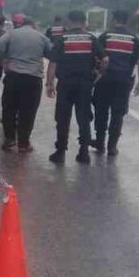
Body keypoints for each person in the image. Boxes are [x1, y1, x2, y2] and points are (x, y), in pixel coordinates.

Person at [45, 10, 106, 164]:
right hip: (85, 85)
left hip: (65, 84)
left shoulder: (62, 39)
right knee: (84, 118)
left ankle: (60, 153)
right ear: (84, 21)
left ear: (69, 21)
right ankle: (83, 152)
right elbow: (105, 59)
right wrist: (99, 74)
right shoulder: (91, 38)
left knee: (62, 118)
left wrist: (49, 84)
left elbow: (53, 63)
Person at [92, 10, 139, 156]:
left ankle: (100, 143)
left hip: (104, 81)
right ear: (126, 21)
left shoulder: (104, 37)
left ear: (113, 19)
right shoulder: (135, 39)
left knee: (101, 111)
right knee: (118, 113)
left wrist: (94, 76)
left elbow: (97, 59)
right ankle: (112, 147)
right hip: (123, 82)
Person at [0, 16, 51, 152]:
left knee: (9, 108)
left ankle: (9, 140)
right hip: (33, 78)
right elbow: (50, 53)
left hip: (13, 76)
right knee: (28, 110)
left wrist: (5, 57)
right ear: (33, 25)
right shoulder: (41, 37)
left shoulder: (12, 33)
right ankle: (24, 143)